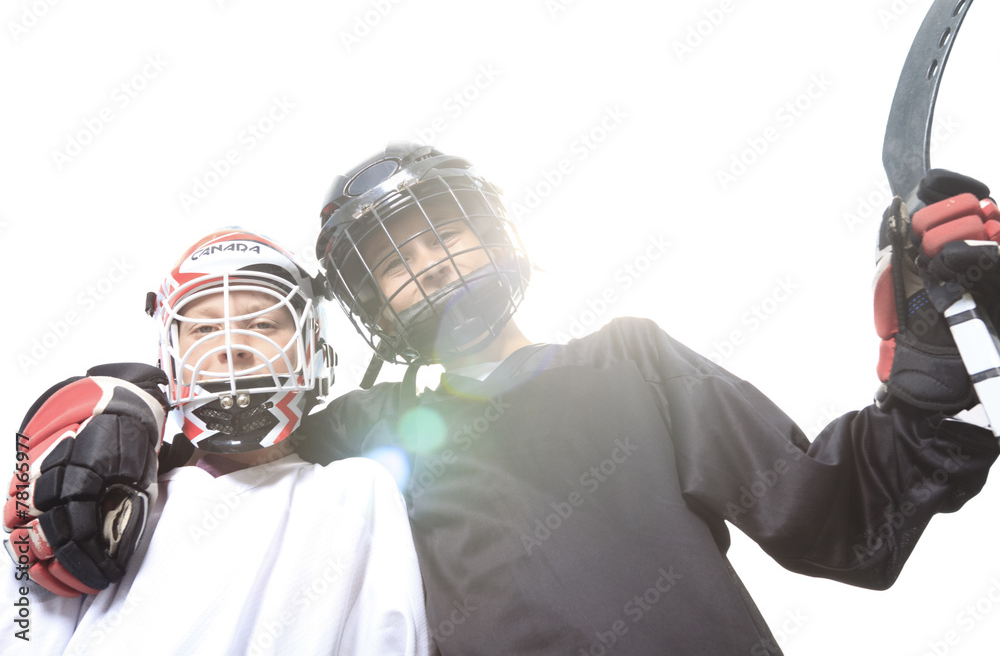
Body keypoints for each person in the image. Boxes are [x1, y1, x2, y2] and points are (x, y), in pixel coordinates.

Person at [8, 145, 1000, 654]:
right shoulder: (358, 438)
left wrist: (922, 372)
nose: (427, 261)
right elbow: (219, 411)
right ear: (362, 305)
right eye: (393, 259)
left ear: (500, 231)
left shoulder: (634, 363)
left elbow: (836, 518)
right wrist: (113, 408)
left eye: (443, 231)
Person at [3, 228, 431, 655]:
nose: (231, 346)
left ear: (311, 347)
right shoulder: (99, 500)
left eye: (263, 323)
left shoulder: (357, 494)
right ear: (169, 357)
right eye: (204, 328)